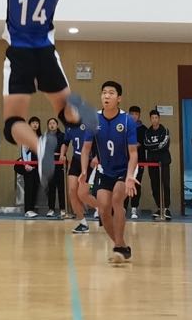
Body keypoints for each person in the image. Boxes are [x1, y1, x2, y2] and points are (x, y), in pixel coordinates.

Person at [0, 0, 101, 190]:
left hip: (19, 54)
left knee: (13, 124)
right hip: (46, 52)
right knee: (65, 114)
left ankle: (39, 147)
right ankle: (78, 110)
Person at [78, 80, 139, 264]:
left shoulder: (127, 121)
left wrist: (130, 176)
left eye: (111, 93)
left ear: (119, 98)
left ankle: (118, 248)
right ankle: (121, 246)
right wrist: (83, 171)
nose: (107, 96)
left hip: (125, 169)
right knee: (103, 209)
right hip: (105, 170)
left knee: (116, 200)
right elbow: (86, 149)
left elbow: (133, 153)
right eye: (104, 92)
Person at [140, 108, 173, 220]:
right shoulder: (147, 132)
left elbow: (164, 145)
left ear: (159, 118)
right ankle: (159, 207)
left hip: (164, 161)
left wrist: (154, 147)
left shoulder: (165, 130)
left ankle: (166, 208)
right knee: (155, 185)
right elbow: (146, 145)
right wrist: (156, 146)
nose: (154, 120)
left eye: (156, 117)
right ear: (150, 119)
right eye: (152, 118)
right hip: (152, 162)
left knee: (165, 184)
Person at [64, 116, 93, 234]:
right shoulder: (69, 127)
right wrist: (62, 154)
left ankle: (103, 209)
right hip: (76, 160)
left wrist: (97, 157)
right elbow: (66, 142)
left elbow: (99, 142)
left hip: (89, 161)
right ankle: (83, 222)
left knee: (83, 194)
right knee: (72, 191)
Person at [16, 115, 43, 216]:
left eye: (37, 123)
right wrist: (26, 164)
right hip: (28, 166)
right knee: (29, 187)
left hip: (38, 166)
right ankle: (27, 210)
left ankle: (32, 208)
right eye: (33, 123)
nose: (35, 125)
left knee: (35, 187)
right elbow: (24, 152)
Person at [42, 117, 66, 216]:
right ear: (48, 126)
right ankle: (51, 209)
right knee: (51, 186)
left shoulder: (62, 135)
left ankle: (63, 208)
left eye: (53, 123)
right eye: (50, 123)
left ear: (57, 125)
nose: (52, 125)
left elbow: (64, 146)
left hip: (59, 161)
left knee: (61, 187)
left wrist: (62, 155)